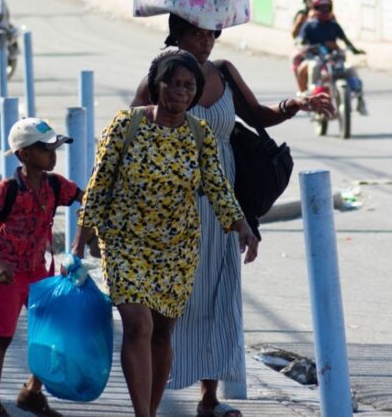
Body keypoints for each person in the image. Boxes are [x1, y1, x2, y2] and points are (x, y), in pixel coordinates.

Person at [131, 15, 334, 417]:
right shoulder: (162, 76)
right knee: (174, 300)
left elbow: (258, 113)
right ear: (177, 33)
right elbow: (132, 131)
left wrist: (295, 103)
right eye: (196, 34)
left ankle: (209, 396)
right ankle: (151, 402)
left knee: (220, 292)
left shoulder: (223, 72)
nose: (205, 43)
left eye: (211, 35)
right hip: (174, 206)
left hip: (224, 202)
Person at [74, 50, 258, 417]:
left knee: (162, 333)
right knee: (138, 325)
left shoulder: (199, 133)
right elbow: (99, 183)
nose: (179, 91)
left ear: (195, 91)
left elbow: (218, 186)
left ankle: (151, 410)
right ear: (156, 86)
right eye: (171, 83)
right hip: (126, 241)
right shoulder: (126, 125)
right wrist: (79, 241)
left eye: (188, 85)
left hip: (178, 247)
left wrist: (241, 224)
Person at [0, 117, 83, 417]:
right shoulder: (7, 189)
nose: (53, 155)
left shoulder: (54, 185)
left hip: (38, 270)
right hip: (8, 273)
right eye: (46, 149)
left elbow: (84, 197)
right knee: (3, 337)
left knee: (52, 332)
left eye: (55, 148)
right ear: (23, 154)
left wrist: (87, 236)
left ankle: (31, 392)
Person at [297, 0, 367, 114]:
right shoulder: (308, 26)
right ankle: (312, 92)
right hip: (316, 57)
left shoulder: (334, 25)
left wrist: (354, 50)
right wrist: (308, 47)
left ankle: (360, 99)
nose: (324, 10)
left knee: (350, 69)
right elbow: (300, 42)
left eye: (327, 7)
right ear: (315, 8)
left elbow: (345, 40)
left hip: (334, 58)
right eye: (321, 8)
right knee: (314, 66)